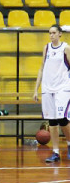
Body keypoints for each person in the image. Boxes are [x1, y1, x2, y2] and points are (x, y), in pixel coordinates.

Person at [33, 24, 70, 163]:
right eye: (50, 33)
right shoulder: (47, 48)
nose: (51, 35)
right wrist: (36, 89)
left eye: (54, 32)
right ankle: (55, 152)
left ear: (60, 34)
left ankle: (69, 143)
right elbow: (42, 68)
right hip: (48, 88)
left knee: (63, 119)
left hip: (62, 88)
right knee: (52, 121)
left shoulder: (66, 48)